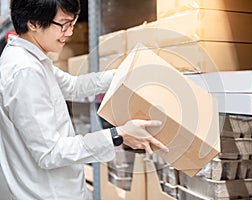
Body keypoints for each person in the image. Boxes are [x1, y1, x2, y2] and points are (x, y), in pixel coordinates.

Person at [0, 0, 168, 199]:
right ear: (33, 23)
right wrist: (118, 135)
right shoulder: (25, 72)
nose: (70, 32)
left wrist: (122, 74)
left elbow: (72, 86)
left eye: (72, 23)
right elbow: (49, 153)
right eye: (63, 24)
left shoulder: (33, 60)